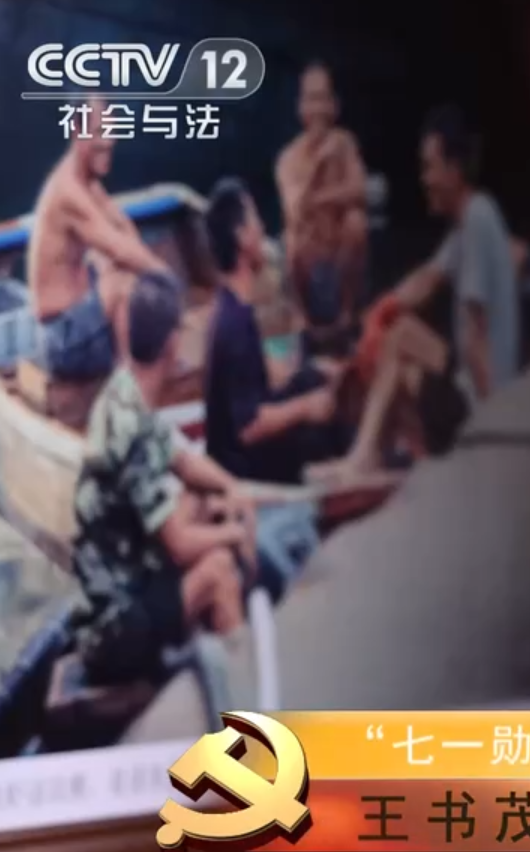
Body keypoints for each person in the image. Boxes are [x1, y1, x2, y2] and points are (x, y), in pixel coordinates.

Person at [67, 271, 255, 701]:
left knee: (202, 501)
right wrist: (236, 531)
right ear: (172, 344)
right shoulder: (130, 425)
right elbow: (180, 546)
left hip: (122, 584)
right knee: (219, 570)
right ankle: (245, 707)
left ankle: (202, 661)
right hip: (113, 622)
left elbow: (183, 461)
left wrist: (233, 489)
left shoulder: (125, 390)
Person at [316, 104, 519, 477]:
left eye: (430, 167)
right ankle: (389, 454)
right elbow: (426, 279)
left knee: (401, 337)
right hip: (470, 387)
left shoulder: (477, 219)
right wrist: (379, 312)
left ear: (454, 170)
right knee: (395, 346)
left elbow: (475, 337)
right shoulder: (469, 221)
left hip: (485, 400)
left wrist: (496, 429)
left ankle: (364, 457)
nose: (424, 179)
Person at [202, 178, 350, 485]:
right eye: (255, 220)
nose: (262, 229)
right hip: (244, 469)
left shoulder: (234, 307)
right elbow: (248, 428)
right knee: (316, 416)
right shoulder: (234, 323)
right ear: (242, 237)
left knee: (313, 378)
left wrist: (312, 373)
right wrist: (306, 407)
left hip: (243, 450)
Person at [26, 96, 170, 381]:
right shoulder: (67, 191)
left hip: (78, 320)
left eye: (111, 131)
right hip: (61, 338)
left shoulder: (88, 183)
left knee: (121, 272)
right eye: (100, 132)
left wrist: (147, 273)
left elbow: (124, 230)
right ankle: (129, 384)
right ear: (77, 130)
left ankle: (135, 366)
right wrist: (166, 277)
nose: (109, 141)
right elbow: (120, 250)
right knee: (123, 284)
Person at [276, 61, 369, 334]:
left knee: (356, 222)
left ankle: (346, 315)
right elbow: (294, 211)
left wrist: (321, 199)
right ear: (300, 107)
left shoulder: (344, 142)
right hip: (308, 253)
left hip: (339, 253)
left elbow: (360, 189)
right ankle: (302, 320)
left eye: (322, 99)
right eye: (311, 99)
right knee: (289, 240)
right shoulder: (288, 158)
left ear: (334, 106)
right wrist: (318, 164)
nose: (317, 108)